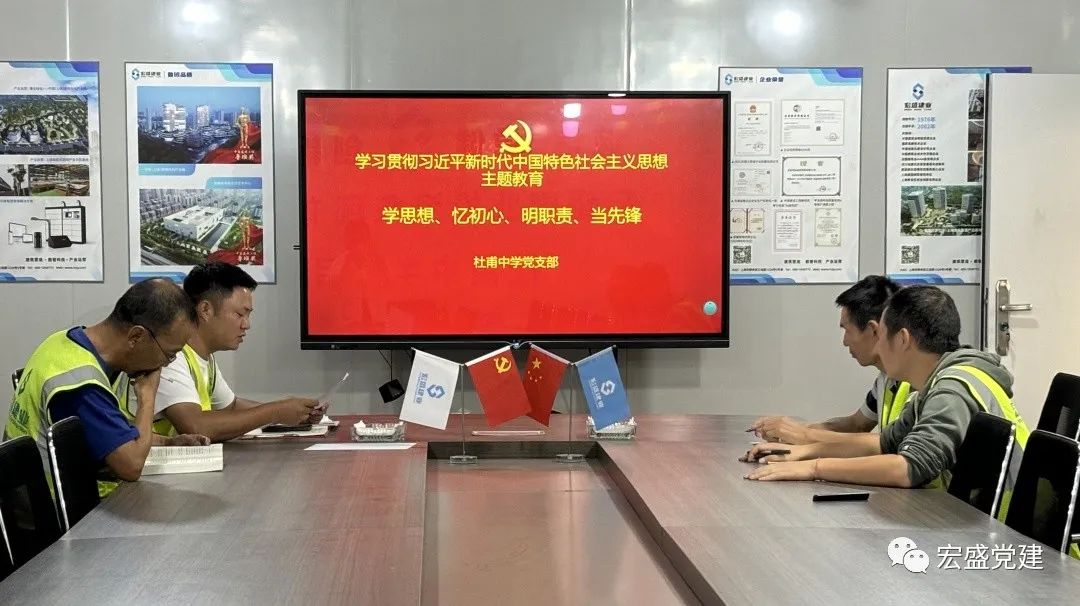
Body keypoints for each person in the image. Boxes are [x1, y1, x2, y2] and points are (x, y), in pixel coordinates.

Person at [742, 286, 1029, 498]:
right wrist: (802, 454)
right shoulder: (933, 386)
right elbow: (883, 444)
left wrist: (814, 468)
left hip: (1004, 534)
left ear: (902, 339)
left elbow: (909, 467)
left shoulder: (953, 388)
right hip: (973, 519)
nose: (878, 346)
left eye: (882, 335)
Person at [5, 279, 209, 496]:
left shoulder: (63, 342)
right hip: (57, 509)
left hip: (30, 496)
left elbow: (113, 434)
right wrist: (147, 396)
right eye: (169, 354)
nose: (166, 365)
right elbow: (131, 466)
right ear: (136, 336)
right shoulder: (81, 385)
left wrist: (168, 443)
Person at [143, 262, 320, 442]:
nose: (247, 325)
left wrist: (293, 412)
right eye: (239, 314)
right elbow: (196, 427)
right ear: (205, 310)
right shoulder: (170, 356)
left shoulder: (204, 357)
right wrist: (276, 412)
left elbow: (231, 406)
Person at [750, 276, 913, 444]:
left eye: (847, 330)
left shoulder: (915, 382)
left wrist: (804, 436)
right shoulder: (886, 378)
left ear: (874, 330)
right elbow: (857, 424)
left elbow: (889, 445)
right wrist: (791, 430)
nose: (844, 342)